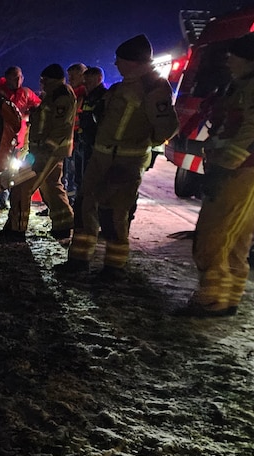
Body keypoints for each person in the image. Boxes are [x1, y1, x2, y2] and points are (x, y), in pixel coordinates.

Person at [56, 35, 177, 281]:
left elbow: (167, 127)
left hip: (126, 161)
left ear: (133, 61)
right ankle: (79, 259)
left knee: (114, 214)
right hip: (101, 156)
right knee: (85, 206)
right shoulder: (122, 86)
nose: (116, 64)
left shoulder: (154, 88)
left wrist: (141, 143)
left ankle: (114, 268)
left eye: (119, 60)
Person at [177, 31, 254, 316]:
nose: (228, 62)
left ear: (247, 58)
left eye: (232, 57)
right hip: (244, 169)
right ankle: (227, 296)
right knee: (235, 236)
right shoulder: (247, 82)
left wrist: (225, 165)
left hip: (242, 170)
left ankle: (212, 299)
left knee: (214, 234)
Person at [0, 64, 76, 241]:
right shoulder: (53, 95)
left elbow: (61, 126)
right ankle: (64, 224)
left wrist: (46, 149)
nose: (42, 84)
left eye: (44, 80)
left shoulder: (61, 96)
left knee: (22, 186)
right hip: (46, 149)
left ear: (53, 80)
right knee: (51, 186)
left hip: (48, 151)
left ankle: (16, 230)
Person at [0, 66, 40, 211]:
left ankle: (2, 201)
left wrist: (28, 115)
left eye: (20, 77)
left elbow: (38, 107)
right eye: (14, 77)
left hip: (16, 142)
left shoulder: (26, 93)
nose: (18, 80)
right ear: (7, 78)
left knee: (10, 170)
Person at [64, 63, 88, 196]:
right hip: (70, 134)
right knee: (68, 169)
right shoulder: (71, 92)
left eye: (73, 76)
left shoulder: (84, 92)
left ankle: (73, 198)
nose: (70, 79)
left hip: (79, 136)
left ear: (82, 75)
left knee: (75, 170)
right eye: (69, 76)